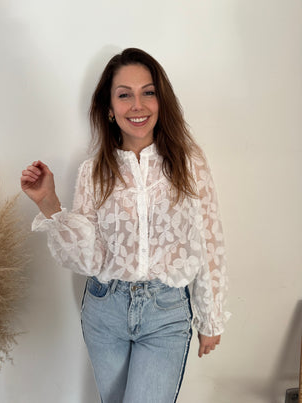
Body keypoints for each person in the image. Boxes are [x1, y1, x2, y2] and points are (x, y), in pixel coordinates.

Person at [20, 48, 230, 403]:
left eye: (148, 92)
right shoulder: (93, 171)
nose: (138, 105)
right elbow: (88, 260)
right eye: (124, 95)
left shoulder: (189, 163)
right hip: (106, 309)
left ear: (161, 101)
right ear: (109, 108)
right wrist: (48, 203)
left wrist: (211, 318)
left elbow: (209, 240)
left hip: (167, 312)